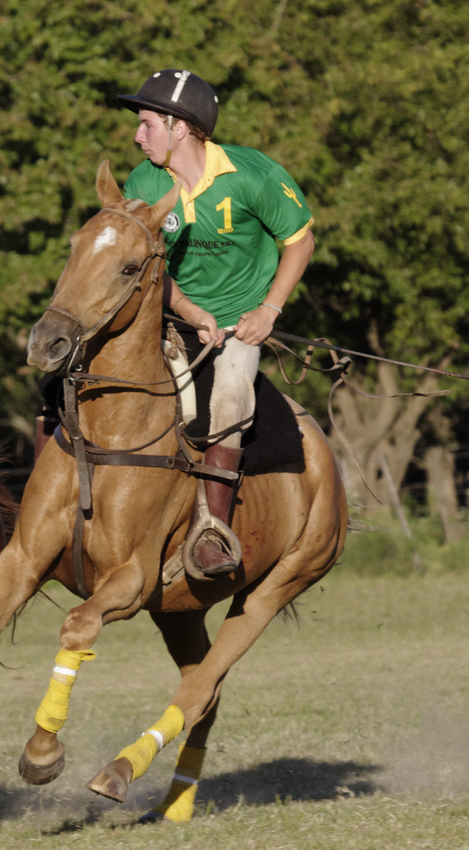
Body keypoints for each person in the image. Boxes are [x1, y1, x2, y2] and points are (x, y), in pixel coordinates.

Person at [116, 68, 315, 576]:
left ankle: (211, 531)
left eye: (146, 124)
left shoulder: (253, 175)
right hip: (172, 313)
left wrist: (268, 311)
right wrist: (185, 309)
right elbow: (146, 259)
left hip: (239, 325)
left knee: (228, 394)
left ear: (179, 127)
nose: (138, 136)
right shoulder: (144, 181)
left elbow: (299, 241)